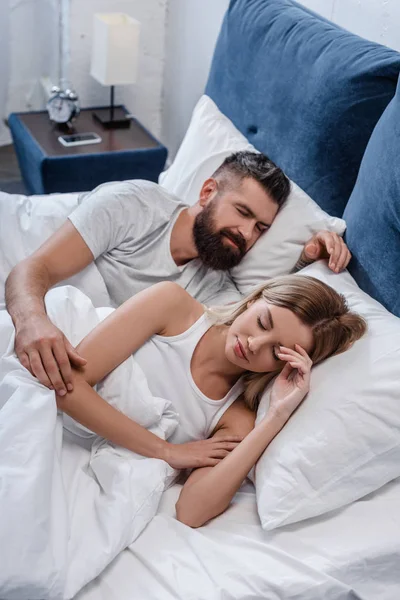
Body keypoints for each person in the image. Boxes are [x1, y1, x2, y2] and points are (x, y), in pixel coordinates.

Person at [5, 151, 351, 397]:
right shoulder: (135, 206)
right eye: (242, 212)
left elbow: (273, 312)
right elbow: (36, 267)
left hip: (79, 370)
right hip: (37, 326)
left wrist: (308, 259)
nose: (246, 233)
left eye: (260, 228)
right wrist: (33, 321)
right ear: (207, 193)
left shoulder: (217, 289)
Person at [54, 275, 366, 528]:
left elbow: (191, 511)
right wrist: (167, 451)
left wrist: (276, 415)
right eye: (263, 323)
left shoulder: (236, 415)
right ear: (256, 300)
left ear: (286, 365)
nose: (254, 344)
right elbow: (66, 386)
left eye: (276, 352)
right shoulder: (173, 306)